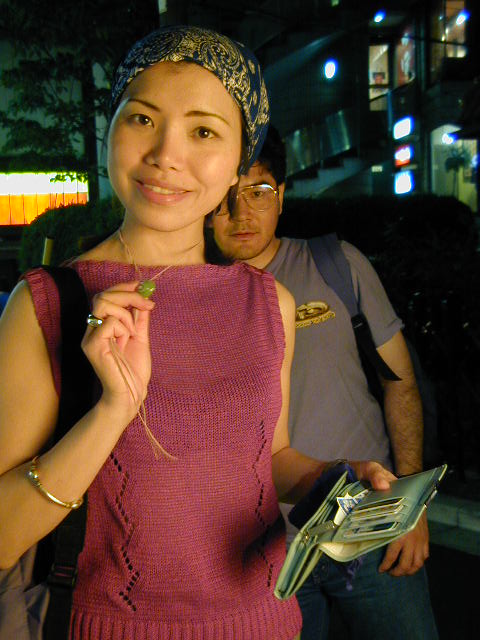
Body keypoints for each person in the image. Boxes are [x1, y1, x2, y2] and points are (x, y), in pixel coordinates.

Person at [0, 26, 394, 640]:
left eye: (204, 131)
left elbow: (270, 457)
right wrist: (112, 410)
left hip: (263, 623)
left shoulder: (269, 302)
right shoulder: (47, 303)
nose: (166, 154)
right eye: (142, 119)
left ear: (239, 161)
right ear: (111, 129)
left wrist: (340, 480)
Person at [212, 125, 439, 640]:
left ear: (281, 195)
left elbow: (400, 383)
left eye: (258, 191)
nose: (241, 212)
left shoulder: (335, 264)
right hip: (265, 552)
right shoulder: (195, 298)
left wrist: (410, 507)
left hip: (370, 525)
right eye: (224, 196)